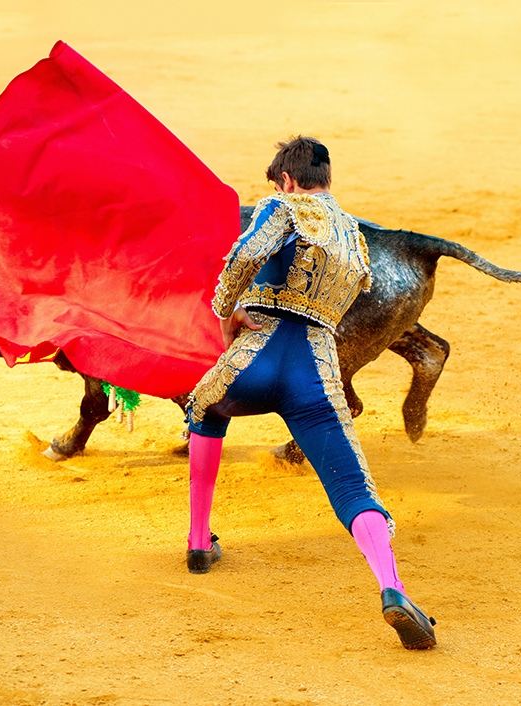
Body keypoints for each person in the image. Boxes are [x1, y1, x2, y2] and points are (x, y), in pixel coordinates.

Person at [185, 136, 437, 650]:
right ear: (327, 179)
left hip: (252, 363)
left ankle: (198, 541)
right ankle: (392, 589)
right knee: (353, 490)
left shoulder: (280, 206)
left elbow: (245, 255)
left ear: (285, 180)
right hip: (315, 376)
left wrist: (228, 311)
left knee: (205, 408)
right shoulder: (352, 234)